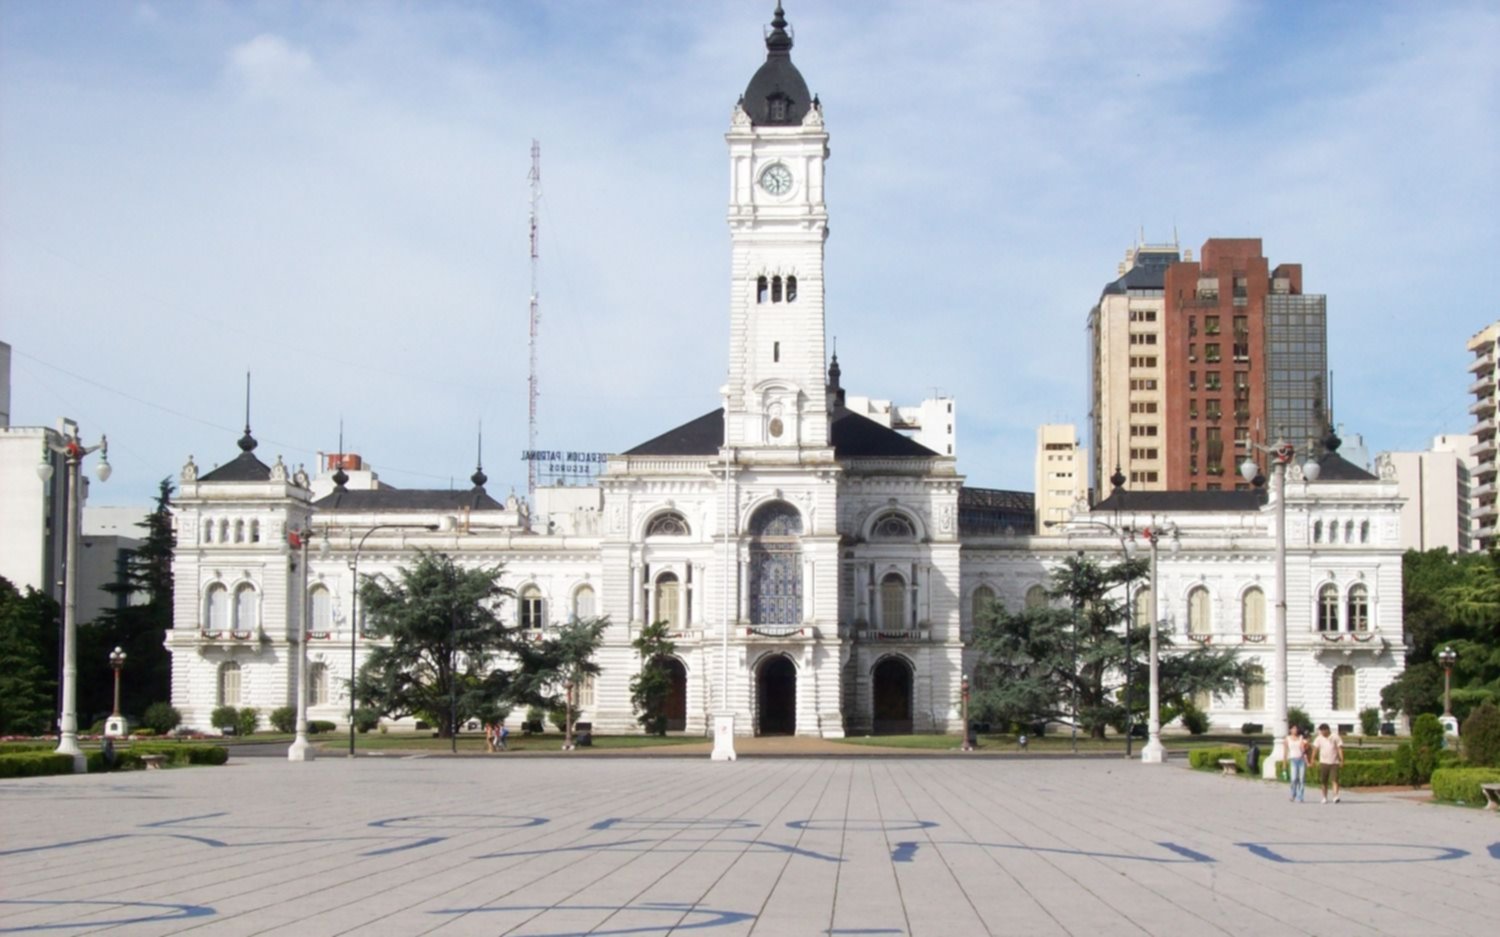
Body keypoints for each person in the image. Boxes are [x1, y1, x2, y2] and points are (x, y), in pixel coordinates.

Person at [1312, 723, 1344, 804]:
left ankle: (1335, 796)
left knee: (1335, 779)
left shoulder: (1335, 737)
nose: (1322, 733)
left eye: (1323, 731)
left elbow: (1339, 748)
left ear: (1327, 730)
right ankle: (1324, 797)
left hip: (1334, 762)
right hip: (1323, 762)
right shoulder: (1319, 738)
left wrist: (1342, 760)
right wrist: (1312, 759)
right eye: (1321, 731)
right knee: (1324, 781)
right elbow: (1315, 749)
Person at [1285, 724, 1308, 802]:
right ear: (1290, 730)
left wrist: (1305, 745)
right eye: (1293, 728)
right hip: (1293, 760)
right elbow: (1285, 751)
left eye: (1296, 729)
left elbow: (1304, 749)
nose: (1295, 730)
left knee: (1301, 779)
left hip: (1301, 759)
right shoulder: (1287, 739)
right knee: (1294, 778)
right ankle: (1293, 794)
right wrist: (1284, 763)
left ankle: (1300, 796)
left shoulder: (1301, 737)